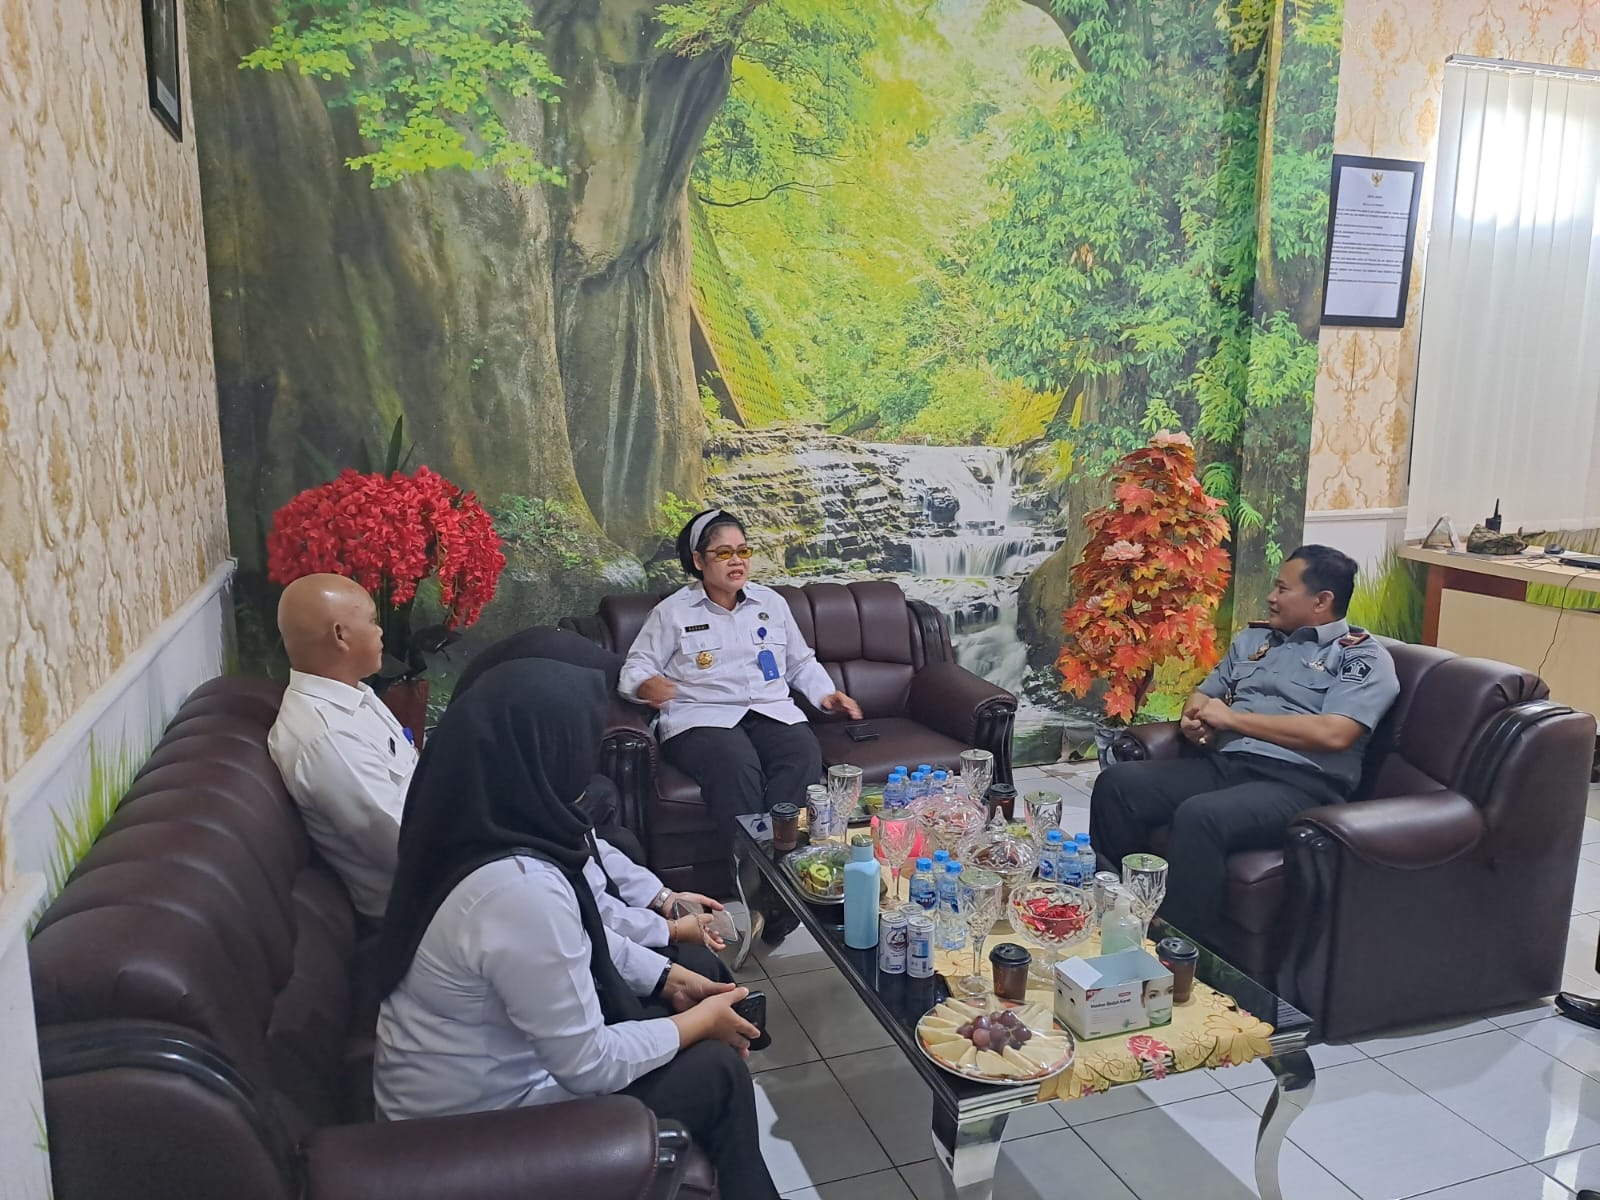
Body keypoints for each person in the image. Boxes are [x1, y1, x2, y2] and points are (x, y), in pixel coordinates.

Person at [373, 659, 780, 1198]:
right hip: (472, 1133)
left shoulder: (478, 826)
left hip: (485, 1082)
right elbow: (590, 1064)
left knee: (675, 1011)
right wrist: (699, 1022)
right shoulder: (517, 890)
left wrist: (668, 979)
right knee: (716, 1075)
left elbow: (581, 935)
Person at [267, 576, 725, 965]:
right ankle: (659, 936)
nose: (381, 630)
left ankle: (660, 914)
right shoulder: (326, 739)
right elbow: (415, 851)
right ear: (340, 635)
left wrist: (659, 899)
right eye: (371, 620)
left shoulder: (356, 699)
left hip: (464, 866)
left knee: (583, 824)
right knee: (568, 837)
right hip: (438, 909)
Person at [1090, 546, 1400, 945]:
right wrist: (1193, 720)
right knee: (1118, 784)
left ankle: (1177, 951)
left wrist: (1232, 720)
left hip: (1300, 783)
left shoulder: (1360, 657)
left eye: (1283, 589)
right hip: (1228, 765)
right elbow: (1205, 694)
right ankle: (1120, 913)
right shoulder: (1256, 639)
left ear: (1322, 601)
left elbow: (1335, 733)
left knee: (1201, 816)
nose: (1271, 597)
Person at [619, 508, 861, 840]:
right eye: (724, 553)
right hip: (701, 716)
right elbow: (635, 668)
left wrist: (826, 694)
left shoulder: (771, 603)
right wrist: (645, 686)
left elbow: (800, 662)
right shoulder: (672, 612)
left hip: (768, 709)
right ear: (699, 560)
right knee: (736, 764)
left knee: (802, 753)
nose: (737, 561)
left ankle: (786, 851)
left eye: (743, 551)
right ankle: (749, 863)